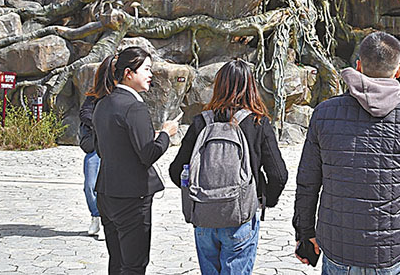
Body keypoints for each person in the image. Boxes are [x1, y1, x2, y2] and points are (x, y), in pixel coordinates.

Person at [294, 31, 400, 275]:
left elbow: (307, 182)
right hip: (392, 252)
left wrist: (304, 232)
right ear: (399, 71)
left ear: (358, 65)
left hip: (338, 247)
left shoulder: (324, 114)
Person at [169, 59, 288, 275]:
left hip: (204, 217)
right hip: (240, 216)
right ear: (251, 87)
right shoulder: (257, 123)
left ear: (218, 86)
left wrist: (199, 193)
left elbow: (175, 171)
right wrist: (264, 199)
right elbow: (279, 175)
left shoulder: (200, 122)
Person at [92, 47, 178, 275]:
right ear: (129, 73)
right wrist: (165, 134)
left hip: (106, 192)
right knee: (134, 265)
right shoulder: (134, 107)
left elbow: (101, 149)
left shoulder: (103, 103)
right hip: (132, 197)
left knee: (117, 261)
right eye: (147, 69)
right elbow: (148, 154)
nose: (151, 75)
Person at [79, 62, 109, 240]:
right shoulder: (93, 95)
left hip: (114, 147)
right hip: (95, 147)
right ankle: (96, 215)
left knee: (111, 187)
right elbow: (84, 114)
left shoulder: (121, 96)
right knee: (90, 186)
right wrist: (102, 123)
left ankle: (107, 221)